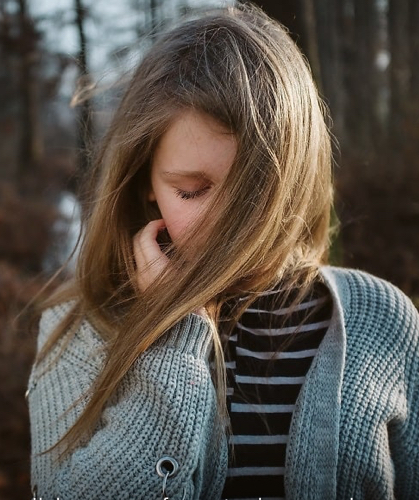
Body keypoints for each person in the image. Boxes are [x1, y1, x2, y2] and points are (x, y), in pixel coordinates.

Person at [26, 4, 419, 499]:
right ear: (146, 183)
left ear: (298, 180)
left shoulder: (384, 323)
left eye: (256, 189)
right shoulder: (79, 326)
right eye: (191, 190)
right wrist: (169, 334)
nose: (232, 226)